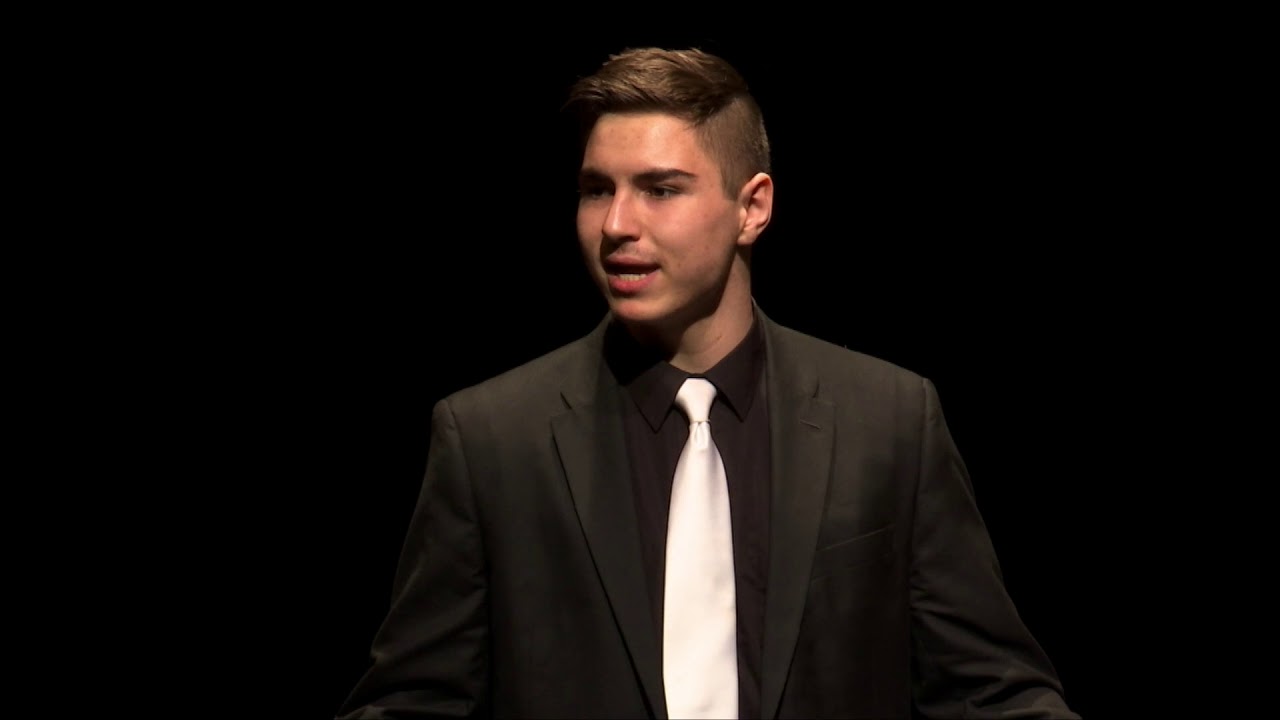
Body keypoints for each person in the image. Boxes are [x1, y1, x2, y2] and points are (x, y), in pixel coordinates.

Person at [337, 46, 1078, 719]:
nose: (616, 224)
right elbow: (413, 703)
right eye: (598, 190)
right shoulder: (493, 438)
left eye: (660, 190)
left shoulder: (887, 419)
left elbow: (991, 690)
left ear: (752, 208)